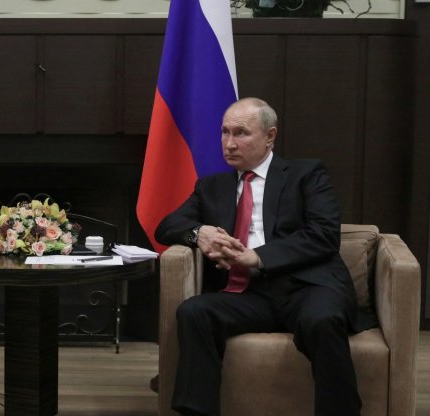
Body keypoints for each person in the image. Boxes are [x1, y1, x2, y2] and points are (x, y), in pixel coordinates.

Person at [153, 97, 374, 416]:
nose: (229, 143)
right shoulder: (212, 187)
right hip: (248, 295)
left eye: (241, 133)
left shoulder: (306, 174)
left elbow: (324, 235)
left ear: (270, 136)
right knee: (194, 311)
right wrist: (199, 233)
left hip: (307, 288)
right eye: (225, 132)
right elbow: (167, 226)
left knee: (321, 320)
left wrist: (257, 257)